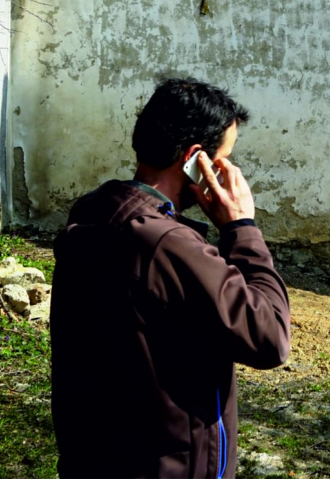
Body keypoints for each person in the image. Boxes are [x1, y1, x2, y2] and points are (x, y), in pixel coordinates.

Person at [51, 77, 291, 478]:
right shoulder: (166, 245)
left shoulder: (94, 214)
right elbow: (269, 337)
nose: (228, 171)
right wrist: (242, 228)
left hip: (94, 458)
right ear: (195, 159)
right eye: (223, 159)